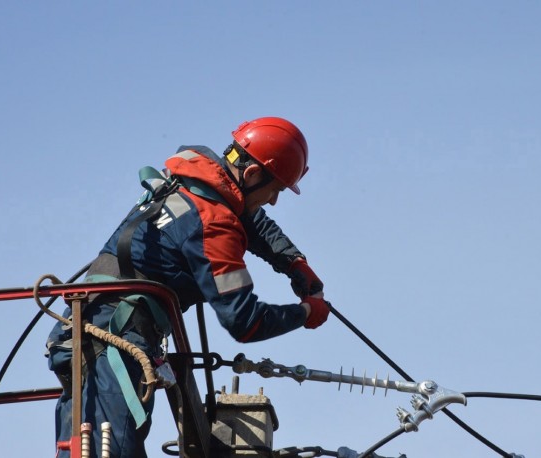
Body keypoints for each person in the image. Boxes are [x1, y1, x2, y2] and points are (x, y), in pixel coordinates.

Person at [46, 116, 330, 458]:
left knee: (85, 447)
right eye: (277, 189)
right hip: (116, 343)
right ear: (254, 174)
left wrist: (293, 262)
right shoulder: (214, 225)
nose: (273, 201)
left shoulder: (190, 179)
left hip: (87, 331)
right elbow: (245, 320)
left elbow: (249, 216)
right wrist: (304, 313)